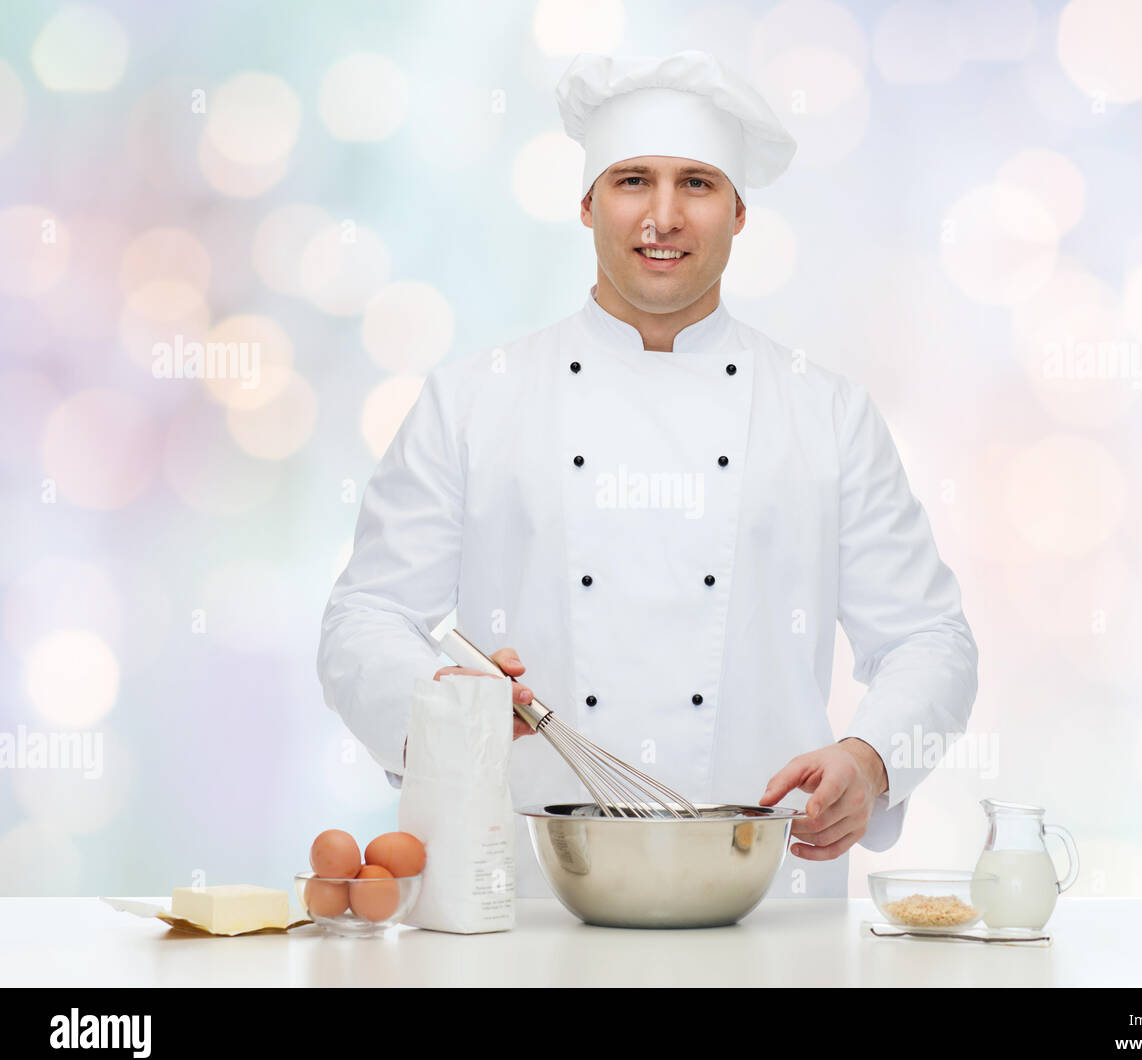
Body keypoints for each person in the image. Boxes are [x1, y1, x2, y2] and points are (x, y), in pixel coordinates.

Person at [317, 49, 978, 899]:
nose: (662, 217)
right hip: (526, 901)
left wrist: (872, 759)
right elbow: (363, 617)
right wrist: (441, 702)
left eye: (696, 185)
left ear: (739, 213)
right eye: (633, 180)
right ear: (589, 203)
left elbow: (930, 638)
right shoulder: (473, 403)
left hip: (768, 909)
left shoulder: (828, 414)